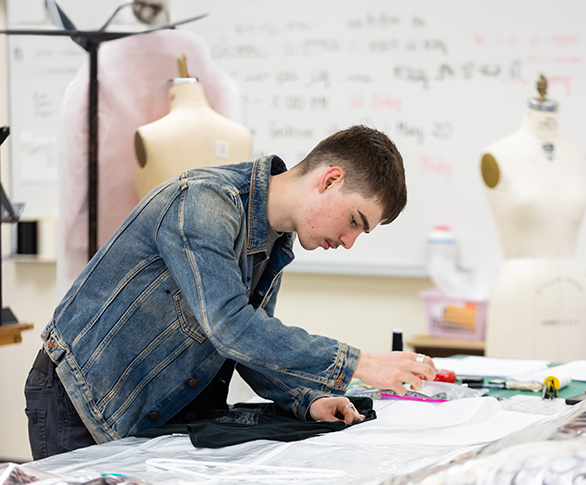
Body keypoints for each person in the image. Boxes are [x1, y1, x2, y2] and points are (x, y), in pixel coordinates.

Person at [24, 125, 436, 460]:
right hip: (81, 403)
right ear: (330, 179)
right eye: (354, 220)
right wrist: (360, 362)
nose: (349, 242)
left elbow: (251, 344)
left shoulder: (276, 240)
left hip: (156, 412)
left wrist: (306, 400)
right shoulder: (203, 203)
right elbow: (230, 326)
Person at [479, 75, 586, 362]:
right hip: (521, 294)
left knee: (579, 394)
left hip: (575, 294)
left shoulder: (577, 154)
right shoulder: (498, 154)